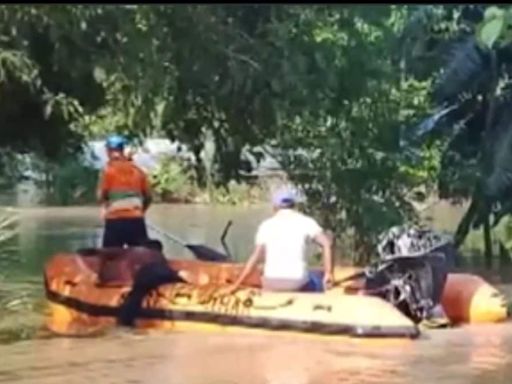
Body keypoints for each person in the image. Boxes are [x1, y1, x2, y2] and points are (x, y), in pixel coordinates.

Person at [227, 187, 334, 293]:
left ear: (275, 207)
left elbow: (255, 257)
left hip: (270, 281)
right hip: (296, 282)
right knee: (316, 277)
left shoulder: (266, 225)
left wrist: (237, 284)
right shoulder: (306, 221)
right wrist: (328, 273)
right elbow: (326, 244)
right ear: (294, 205)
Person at [97, 134, 152, 248]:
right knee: (140, 259)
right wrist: (140, 211)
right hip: (136, 221)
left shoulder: (108, 171)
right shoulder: (138, 171)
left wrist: (105, 206)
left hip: (114, 222)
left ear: (108, 151)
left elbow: (101, 196)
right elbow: (149, 197)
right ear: (122, 150)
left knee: (111, 259)